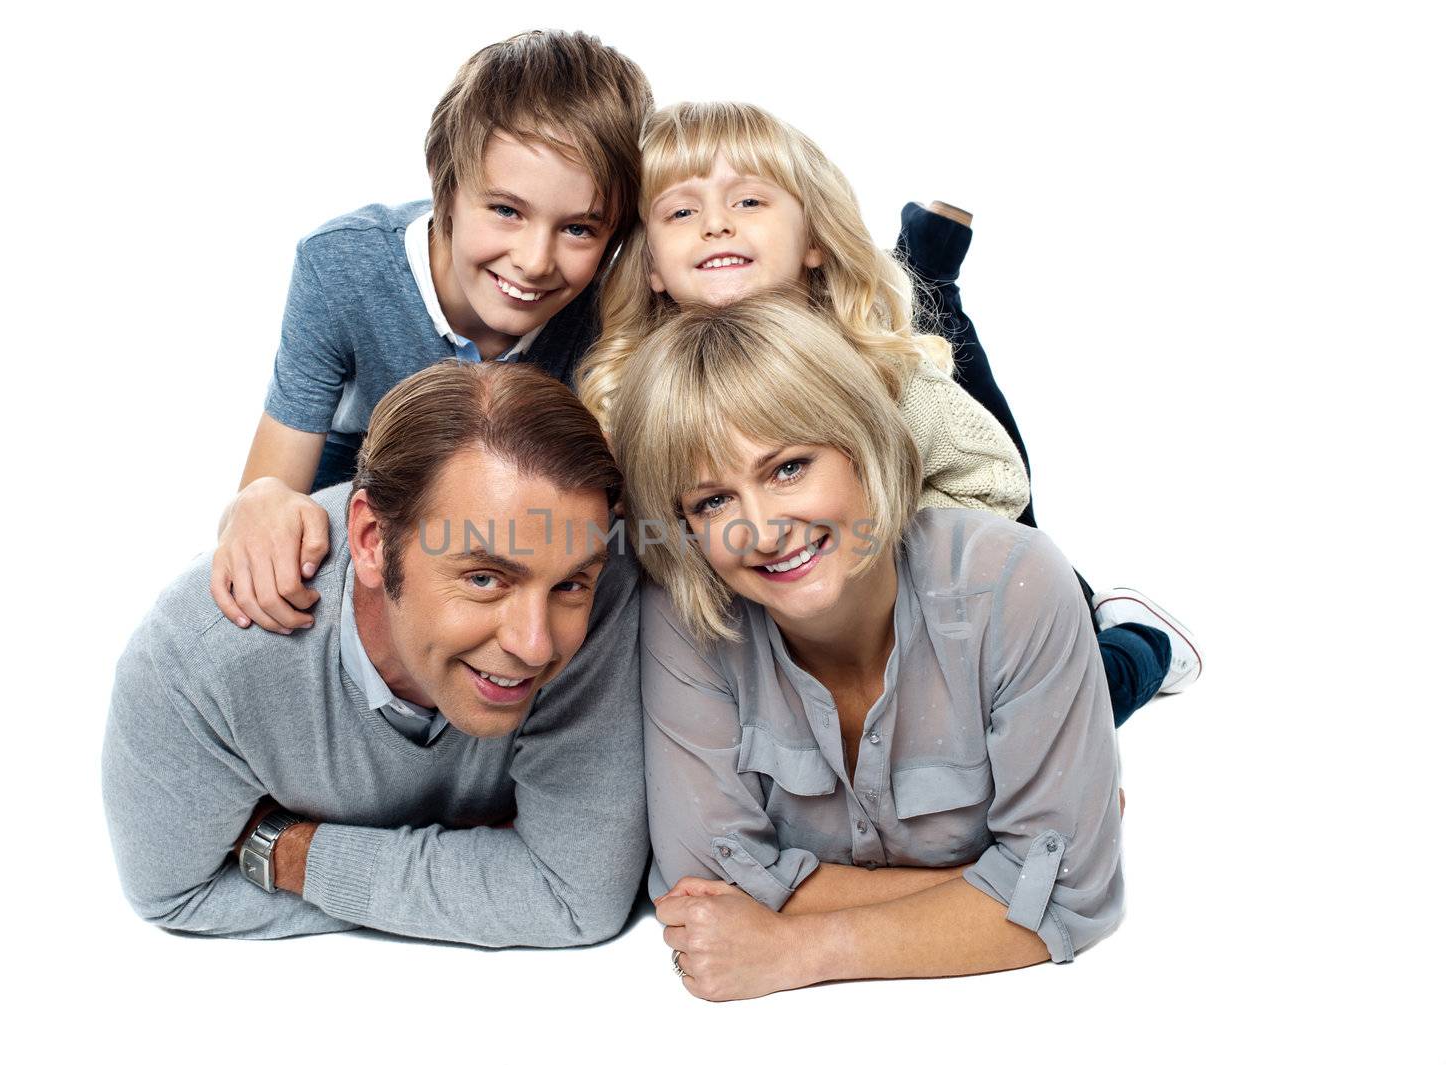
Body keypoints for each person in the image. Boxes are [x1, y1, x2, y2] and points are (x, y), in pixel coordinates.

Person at [576, 100, 1199, 724]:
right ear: (651, 265)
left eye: (748, 202)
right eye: (682, 212)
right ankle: (928, 266)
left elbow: (991, 475)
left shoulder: (876, 370)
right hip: (774, 643)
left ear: (815, 239)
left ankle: (1143, 640)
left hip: (924, 624)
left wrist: (889, 572)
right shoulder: (635, 398)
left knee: (1059, 710)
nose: (715, 225)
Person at [609, 296, 1124, 1000]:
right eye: (712, 502)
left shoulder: (1018, 582)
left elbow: (1071, 900)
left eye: (788, 467)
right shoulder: (682, 620)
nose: (761, 530)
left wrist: (802, 946)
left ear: (862, 445)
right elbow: (709, 888)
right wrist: (1001, 880)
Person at [102, 360, 645, 944]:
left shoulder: (600, 587)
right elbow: (174, 894)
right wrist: (482, 868)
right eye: (485, 579)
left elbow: (574, 898)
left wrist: (286, 848)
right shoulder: (201, 661)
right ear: (371, 542)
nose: (534, 645)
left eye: (568, 586)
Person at [210, 29, 652, 634]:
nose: (534, 260)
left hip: (518, 541)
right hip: (366, 512)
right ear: (446, 186)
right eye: (506, 210)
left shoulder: (612, 304)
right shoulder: (345, 267)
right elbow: (272, 489)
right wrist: (256, 505)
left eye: (579, 229)